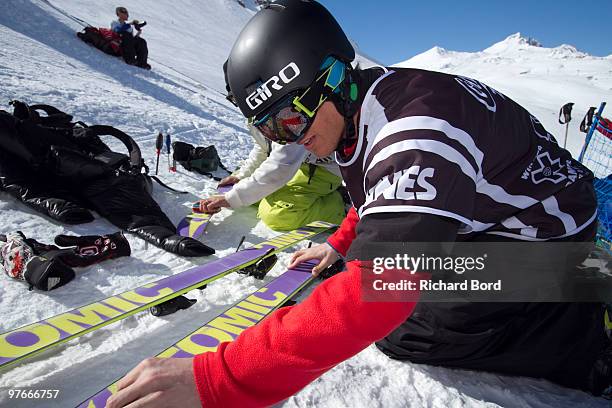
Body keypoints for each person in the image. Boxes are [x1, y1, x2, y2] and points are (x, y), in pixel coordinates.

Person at [106, 1, 611, 407]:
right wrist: (342, 244)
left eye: (288, 120)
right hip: (517, 220)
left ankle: (586, 343)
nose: (290, 139)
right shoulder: (370, 102)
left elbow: (381, 291)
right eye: (269, 130)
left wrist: (220, 378)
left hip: (547, 248)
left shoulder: (414, 133)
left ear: (330, 77)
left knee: (410, 330)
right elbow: (379, 193)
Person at [197, 123, 345, 231]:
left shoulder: (286, 113)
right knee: (249, 194)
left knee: (277, 215)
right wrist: (242, 175)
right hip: (292, 166)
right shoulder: (257, 112)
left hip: (320, 171)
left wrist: (230, 198)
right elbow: (263, 147)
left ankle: (339, 205)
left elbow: (280, 167)